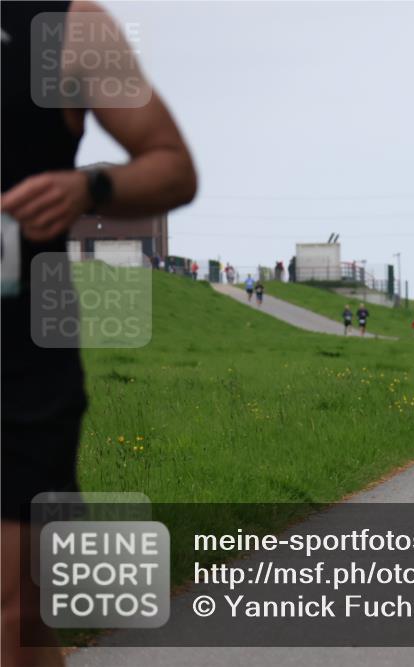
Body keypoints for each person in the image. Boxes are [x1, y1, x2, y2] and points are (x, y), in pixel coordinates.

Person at [1, 3, 197, 665]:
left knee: (15, 606)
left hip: (19, 354)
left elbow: (172, 164)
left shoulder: (67, 24)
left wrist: (91, 185)